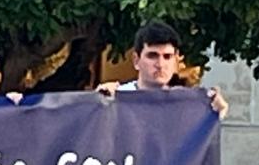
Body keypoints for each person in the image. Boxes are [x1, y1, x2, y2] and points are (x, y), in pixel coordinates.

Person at [98, 20, 229, 117]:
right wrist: (97, 102)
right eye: (152, 56)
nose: (160, 64)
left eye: (167, 56)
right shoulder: (115, 97)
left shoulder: (186, 103)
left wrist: (217, 109)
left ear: (177, 60)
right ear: (136, 60)